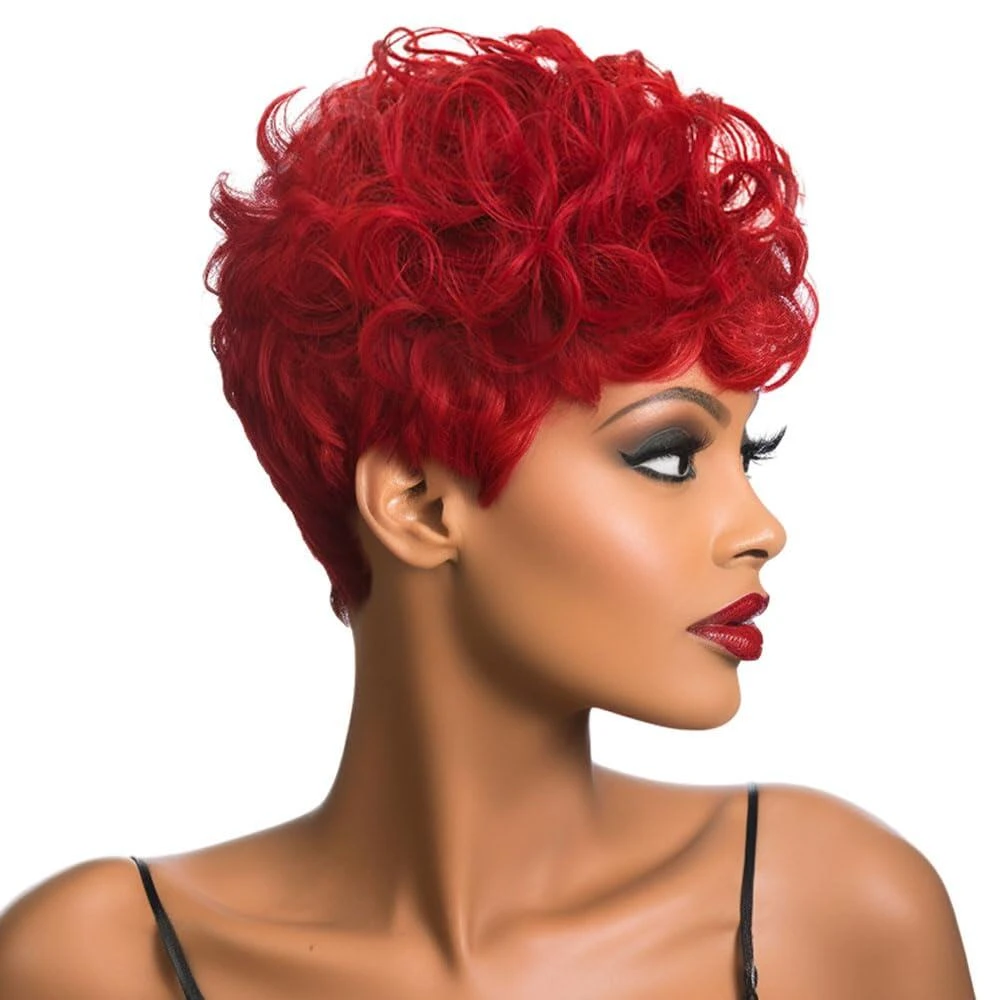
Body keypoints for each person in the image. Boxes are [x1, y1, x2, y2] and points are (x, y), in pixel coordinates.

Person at [0, 25, 975, 1000]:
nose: (762, 528)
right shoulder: (96, 964)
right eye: (670, 456)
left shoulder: (838, 918)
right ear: (419, 505)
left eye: (748, 454)